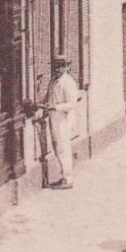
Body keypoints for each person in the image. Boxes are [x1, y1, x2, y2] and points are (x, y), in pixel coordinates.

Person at [41, 55, 79, 189]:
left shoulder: (68, 82)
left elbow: (72, 103)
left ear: (67, 67)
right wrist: (44, 105)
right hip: (53, 117)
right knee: (57, 147)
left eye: (61, 66)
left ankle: (68, 179)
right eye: (56, 66)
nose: (58, 69)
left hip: (64, 118)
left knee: (63, 148)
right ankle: (63, 176)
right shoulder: (54, 80)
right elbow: (49, 96)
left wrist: (56, 107)